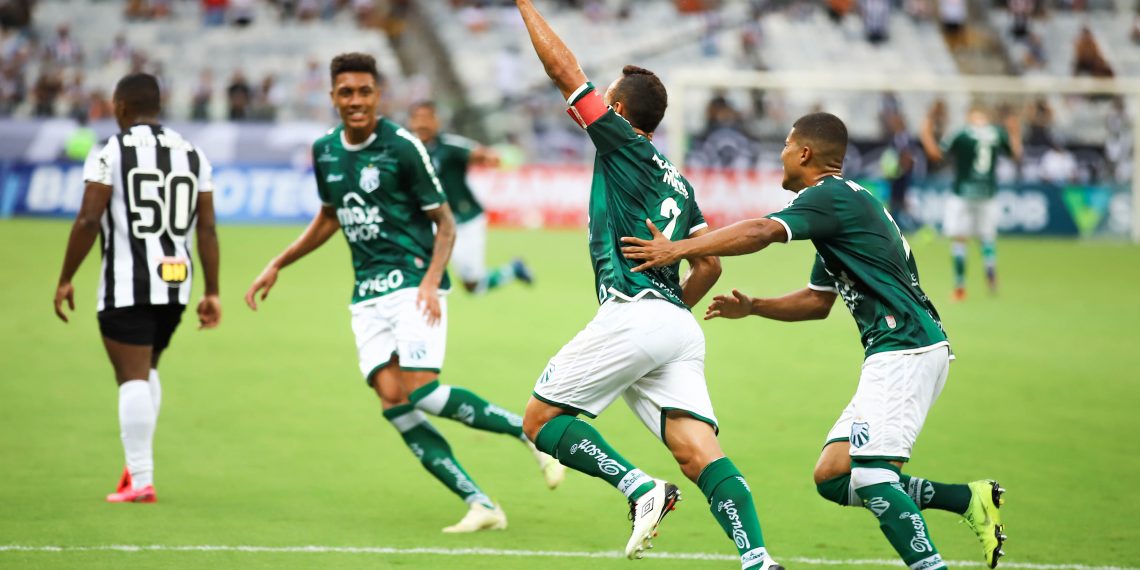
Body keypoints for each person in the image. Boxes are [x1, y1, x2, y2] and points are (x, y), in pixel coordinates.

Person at [620, 112, 1007, 570]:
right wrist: (756, 305)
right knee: (834, 476)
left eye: (786, 145)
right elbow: (816, 302)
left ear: (804, 153)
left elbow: (763, 231)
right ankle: (969, 499)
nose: (781, 154)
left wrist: (677, 249)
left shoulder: (830, 198)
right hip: (897, 348)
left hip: (907, 347)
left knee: (874, 477)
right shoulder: (843, 210)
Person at [244, 53, 563, 533]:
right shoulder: (325, 151)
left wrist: (432, 284)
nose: (356, 101)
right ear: (332, 97)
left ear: (378, 96)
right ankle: (481, 505)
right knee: (393, 400)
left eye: (365, 92)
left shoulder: (403, 147)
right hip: (366, 295)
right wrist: (278, 262)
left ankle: (529, 434)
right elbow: (330, 216)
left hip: (414, 282)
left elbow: (446, 223)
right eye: (346, 92)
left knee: (424, 391)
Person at [512, 2, 783, 568]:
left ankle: (639, 489)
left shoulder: (620, 145)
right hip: (675, 327)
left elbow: (563, 71)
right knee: (699, 453)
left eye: (601, 99)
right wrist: (669, 310)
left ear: (614, 109)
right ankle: (757, 558)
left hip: (634, 312)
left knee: (540, 422)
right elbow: (708, 267)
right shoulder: (678, 181)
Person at [53, 72, 222, 503]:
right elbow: (207, 228)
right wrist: (212, 290)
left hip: (127, 283)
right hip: (176, 283)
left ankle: (141, 478)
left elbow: (89, 219)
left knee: (131, 377)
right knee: (147, 371)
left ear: (122, 108)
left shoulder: (109, 151)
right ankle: (135, 469)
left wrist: (66, 277)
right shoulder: (193, 154)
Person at [407, 101, 534, 295]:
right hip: (434, 221)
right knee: (416, 266)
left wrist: (495, 158)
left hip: (465, 220)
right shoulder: (408, 150)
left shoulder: (449, 145)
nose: (421, 124)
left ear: (436, 121)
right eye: (417, 119)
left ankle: (512, 270)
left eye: (427, 118)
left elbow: (479, 154)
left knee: (473, 285)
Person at [921, 105, 1021, 300]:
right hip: (988, 193)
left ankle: (959, 286)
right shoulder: (997, 133)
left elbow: (936, 155)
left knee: (959, 239)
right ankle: (990, 274)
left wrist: (925, 134)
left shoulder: (961, 133)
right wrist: (1015, 132)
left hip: (963, 194)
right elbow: (1015, 154)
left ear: (969, 116)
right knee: (987, 238)